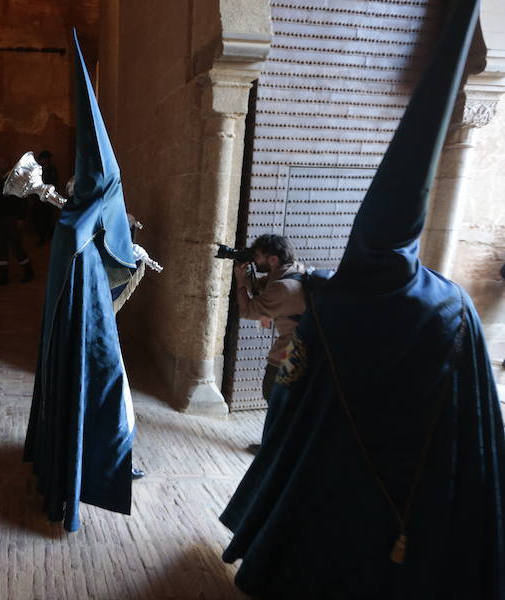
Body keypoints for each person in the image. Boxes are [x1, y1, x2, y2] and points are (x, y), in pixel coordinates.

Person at [220, 2, 505, 598]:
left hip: (356, 459)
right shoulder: (449, 304)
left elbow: (262, 310)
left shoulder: (321, 293)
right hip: (419, 472)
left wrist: (249, 281)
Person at [24, 31, 155, 532]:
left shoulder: (72, 223)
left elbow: (110, 246)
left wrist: (127, 251)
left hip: (86, 319)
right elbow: (117, 252)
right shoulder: (85, 218)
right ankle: (100, 470)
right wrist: (132, 255)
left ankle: (86, 466)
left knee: (106, 398)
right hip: (91, 328)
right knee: (107, 397)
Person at [232, 234, 305, 454]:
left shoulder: (283, 286)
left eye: (257, 256)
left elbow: (248, 310)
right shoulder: (293, 271)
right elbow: (262, 290)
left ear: (272, 260)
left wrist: (240, 282)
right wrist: (249, 275)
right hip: (299, 345)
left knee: (273, 393)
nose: (255, 260)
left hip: (293, 349)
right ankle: (277, 445)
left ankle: (274, 448)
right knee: (280, 397)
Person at [0, 156, 32, 285]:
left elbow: (22, 200)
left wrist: (21, 218)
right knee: (1, 246)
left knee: (16, 245)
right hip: (2, 218)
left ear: (7, 164)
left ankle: (28, 270)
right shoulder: (1, 179)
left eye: (1, 162)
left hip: (12, 218)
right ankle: (3, 275)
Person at [31, 150, 58, 246]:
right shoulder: (38, 169)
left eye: (46, 159)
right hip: (39, 199)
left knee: (48, 218)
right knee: (40, 219)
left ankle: (49, 234)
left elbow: (54, 183)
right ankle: (42, 236)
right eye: (44, 159)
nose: (45, 160)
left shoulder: (52, 170)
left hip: (48, 198)